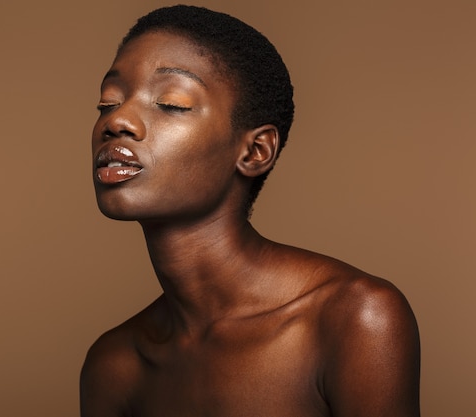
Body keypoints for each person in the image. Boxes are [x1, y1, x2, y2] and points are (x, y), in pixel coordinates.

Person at [81, 5, 420, 416]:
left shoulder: (354, 318)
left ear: (255, 151)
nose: (117, 121)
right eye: (107, 102)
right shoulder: (115, 366)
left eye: (170, 103)